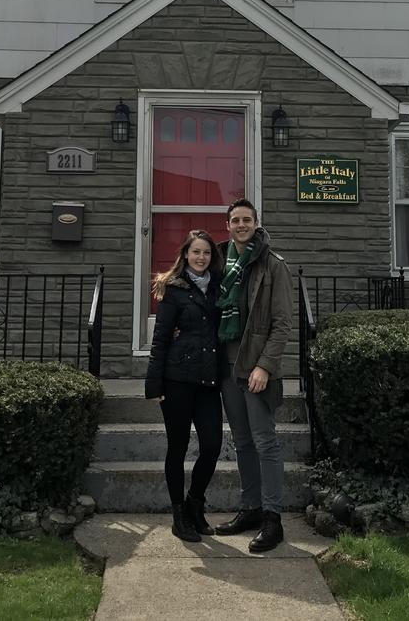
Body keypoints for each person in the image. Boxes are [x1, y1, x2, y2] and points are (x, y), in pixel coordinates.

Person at [213, 198, 292, 553]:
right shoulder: (220, 262)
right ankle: (250, 508)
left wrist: (264, 366)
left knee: (265, 442)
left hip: (256, 368)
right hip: (226, 367)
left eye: (247, 220)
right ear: (228, 225)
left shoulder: (272, 266)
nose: (241, 225)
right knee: (242, 441)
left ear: (256, 224)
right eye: (235, 220)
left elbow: (282, 324)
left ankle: (273, 519)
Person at [144, 229, 226, 542]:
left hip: (208, 381)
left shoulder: (219, 288)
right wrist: (154, 383)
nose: (201, 257)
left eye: (206, 252)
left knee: (212, 447)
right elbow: (161, 337)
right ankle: (178, 515)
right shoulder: (174, 289)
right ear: (185, 255)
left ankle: (195, 503)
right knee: (177, 448)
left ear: (211, 256)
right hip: (176, 380)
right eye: (196, 252)